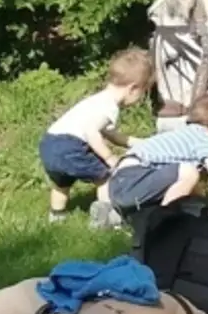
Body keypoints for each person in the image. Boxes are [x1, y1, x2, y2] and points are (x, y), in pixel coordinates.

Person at [38, 48, 154, 224]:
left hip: (49, 143)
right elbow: (91, 132)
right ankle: (105, 217)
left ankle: (56, 216)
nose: (140, 99)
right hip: (69, 146)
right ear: (133, 88)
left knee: (61, 184)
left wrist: (137, 142)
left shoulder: (98, 100)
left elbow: (110, 134)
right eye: (143, 93)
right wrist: (109, 157)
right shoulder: (109, 107)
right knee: (105, 177)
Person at [94, 94, 208, 230]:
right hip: (135, 178)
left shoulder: (180, 135)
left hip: (117, 183)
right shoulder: (204, 138)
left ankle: (114, 215)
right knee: (189, 172)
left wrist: (203, 202)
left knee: (185, 182)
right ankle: (163, 222)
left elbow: (188, 188)